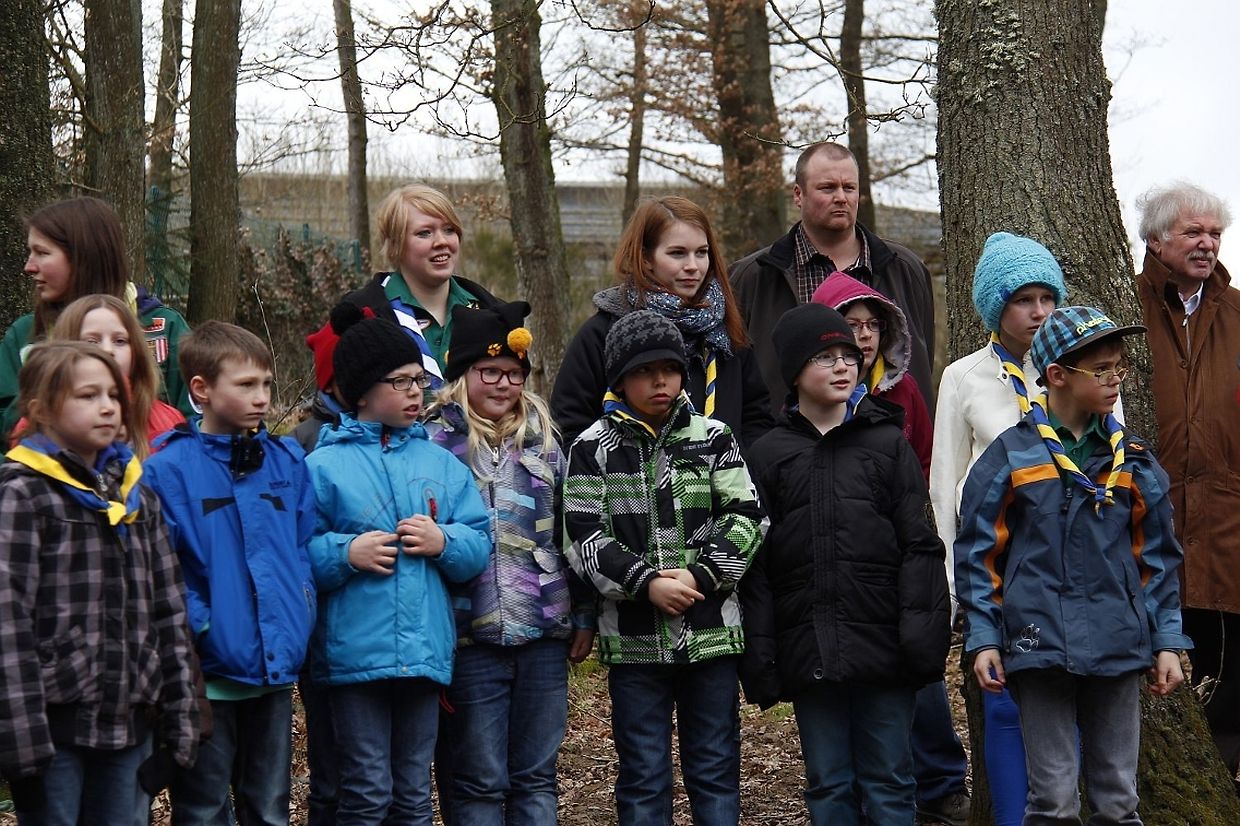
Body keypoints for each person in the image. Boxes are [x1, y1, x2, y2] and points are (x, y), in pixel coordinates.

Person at [955, 306, 1191, 825]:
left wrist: (1167, 640)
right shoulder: (1012, 456)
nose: (1115, 379)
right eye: (1100, 370)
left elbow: (1158, 559)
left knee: (1118, 801)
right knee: (1053, 802)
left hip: (1119, 642)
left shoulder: (1133, 460)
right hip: (1038, 643)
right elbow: (977, 553)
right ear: (1057, 375)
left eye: (1119, 367)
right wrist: (985, 637)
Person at [740, 303, 950, 826]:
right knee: (829, 782)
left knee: (890, 780)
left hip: (885, 646)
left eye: (849, 356)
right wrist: (763, 653)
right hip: (809, 647)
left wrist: (921, 635)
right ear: (794, 371)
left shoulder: (887, 442)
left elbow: (920, 545)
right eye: (825, 357)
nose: (842, 366)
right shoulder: (768, 454)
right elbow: (756, 563)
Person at [562, 310, 767, 825]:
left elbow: (747, 516)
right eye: (643, 371)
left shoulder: (713, 437)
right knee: (643, 773)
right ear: (619, 379)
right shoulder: (591, 448)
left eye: (670, 369)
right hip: (634, 643)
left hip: (711, 634)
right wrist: (646, 583)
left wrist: (701, 575)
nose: (660, 381)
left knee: (715, 765)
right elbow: (583, 538)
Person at [0, 341, 201, 825]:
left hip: (130, 724)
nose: (108, 406)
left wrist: (182, 723)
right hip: (53, 733)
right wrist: (22, 750)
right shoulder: (23, 495)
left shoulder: (137, 497)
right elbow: (7, 623)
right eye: (88, 395)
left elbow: (170, 612)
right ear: (40, 409)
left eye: (113, 394)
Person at [305, 308, 490, 825]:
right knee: (365, 792)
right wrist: (345, 554)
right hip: (353, 661)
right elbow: (296, 554)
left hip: (424, 656)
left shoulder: (441, 463)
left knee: (413, 795)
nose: (415, 393)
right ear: (362, 391)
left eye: (419, 380)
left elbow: (478, 543)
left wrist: (443, 541)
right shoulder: (321, 466)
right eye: (400, 382)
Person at [424, 300, 595, 824]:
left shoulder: (546, 442)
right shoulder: (434, 443)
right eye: (490, 372)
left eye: (514, 374)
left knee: (536, 776)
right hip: (469, 634)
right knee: (478, 778)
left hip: (543, 630)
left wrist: (583, 612)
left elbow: (573, 532)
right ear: (462, 373)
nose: (503, 384)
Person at [141, 321, 317, 826]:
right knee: (203, 809)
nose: (261, 397)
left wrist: (299, 614)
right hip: (208, 676)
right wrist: (205, 626)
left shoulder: (286, 461)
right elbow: (162, 569)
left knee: (269, 807)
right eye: (245, 384)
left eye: (266, 383)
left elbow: (300, 549)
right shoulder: (168, 469)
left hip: (274, 669)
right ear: (201, 389)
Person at [928, 231, 1070, 826]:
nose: (1038, 312)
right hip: (999, 566)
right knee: (1005, 699)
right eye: (1023, 300)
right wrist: (953, 587)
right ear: (995, 307)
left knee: (1072, 698)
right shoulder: (964, 377)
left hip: (1070, 561)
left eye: (1048, 298)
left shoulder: (1077, 366)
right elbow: (944, 485)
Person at [1134, 183, 1240, 770]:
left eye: (1215, 234)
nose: (1207, 244)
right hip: (1150, 519)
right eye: (1193, 231)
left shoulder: (1238, 313)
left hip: (1229, 522)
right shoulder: (1124, 306)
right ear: (1156, 239)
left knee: (1232, 671)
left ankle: (1221, 783)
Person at [551, 195, 771, 450]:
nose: (693, 266)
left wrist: (736, 470)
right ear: (645, 258)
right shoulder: (603, 332)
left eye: (701, 253)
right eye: (677, 253)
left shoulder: (725, 331)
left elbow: (756, 420)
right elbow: (570, 425)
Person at [729, 142, 936, 409]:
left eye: (849, 188)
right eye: (827, 188)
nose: (841, 197)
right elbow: (733, 375)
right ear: (798, 194)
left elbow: (921, 358)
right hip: (783, 431)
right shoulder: (752, 277)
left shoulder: (905, 269)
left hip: (888, 431)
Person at [0, 196, 193, 434]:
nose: (29, 266)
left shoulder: (163, 327)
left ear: (84, 256)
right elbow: (7, 431)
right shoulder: (25, 335)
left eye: (42, 253)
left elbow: (201, 426)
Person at [338, 184, 503, 392]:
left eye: (449, 230)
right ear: (395, 244)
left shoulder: (493, 312)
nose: (441, 241)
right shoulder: (360, 314)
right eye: (424, 233)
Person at [811, 272, 932, 478]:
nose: (866, 334)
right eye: (853, 325)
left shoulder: (904, 387)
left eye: (873, 324)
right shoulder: (810, 393)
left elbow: (927, 461)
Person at [47, 295, 185, 453]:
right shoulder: (41, 421)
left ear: (136, 350)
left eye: (120, 341)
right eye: (92, 341)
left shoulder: (169, 422)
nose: (108, 350)